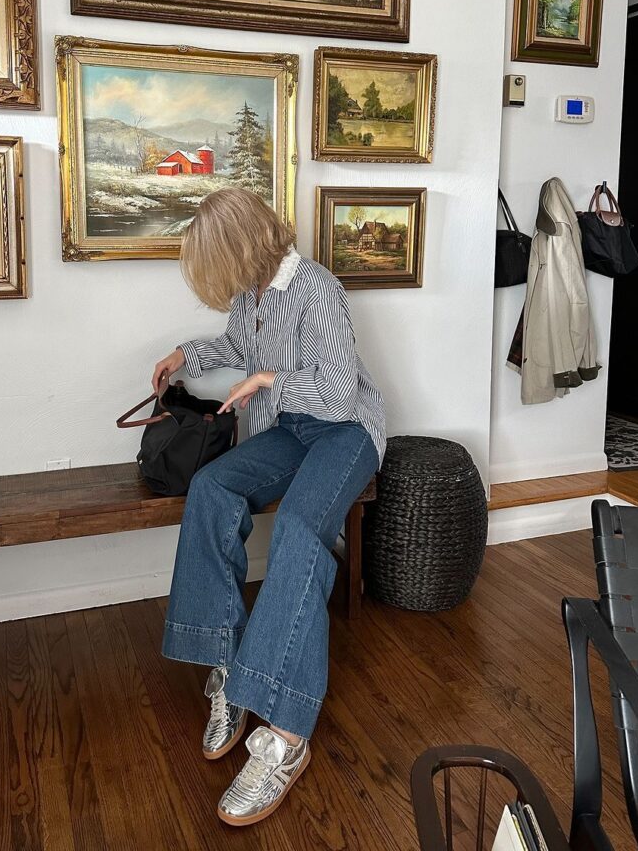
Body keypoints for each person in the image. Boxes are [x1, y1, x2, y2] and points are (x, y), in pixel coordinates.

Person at [152, 187, 385, 827]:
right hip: (294, 430)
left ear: (241, 247)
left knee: (301, 530)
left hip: (346, 432)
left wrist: (269, 382)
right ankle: (229, 667)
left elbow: (338, 396)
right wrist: (185, 355)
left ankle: (284, 735)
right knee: (211, 488)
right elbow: (234, 346)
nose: (215, 283)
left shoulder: (318, 289)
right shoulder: (250, 294)